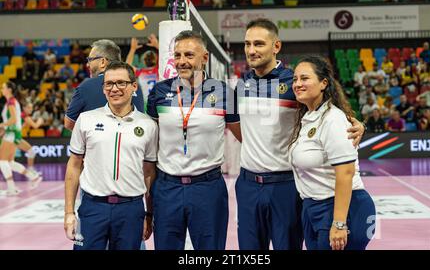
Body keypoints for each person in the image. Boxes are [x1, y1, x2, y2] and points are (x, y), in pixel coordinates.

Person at [234, 18, 365, 250]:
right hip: (248, 184)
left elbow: (329, 107)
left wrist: (358, 124)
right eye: (247, 44)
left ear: (276, 46)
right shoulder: (242, 83)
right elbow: (235, 125)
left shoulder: (295, 82)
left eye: (259, 44)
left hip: (285, 184)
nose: (251, 50)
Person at [147, 30, 241, 250]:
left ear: (204, 58)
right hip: (167, 187)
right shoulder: (160, 91)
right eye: (177, 55)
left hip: (208, 187)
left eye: (189, 55)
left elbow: (244, 136)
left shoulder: (223, 92)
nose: (182, 61)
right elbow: (149, 143)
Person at [64, 61, 158, 250]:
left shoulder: (148, 125)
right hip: (92, 208)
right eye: (109, 84)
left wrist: (149, 214)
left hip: (131, 209)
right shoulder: (86, 119)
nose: (114, 89)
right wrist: (69, 212)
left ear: (133, 87)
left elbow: (149, 172)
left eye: (121, 83)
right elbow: (74, 166)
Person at [288, 55, 376, 250]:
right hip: (315, 208)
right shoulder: (309, 117)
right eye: (295, 79)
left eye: (304, 78)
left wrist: (339, 223)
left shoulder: (332, 119)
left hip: (342, 208)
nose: (297, 84)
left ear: (323, 83)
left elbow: (345, 173)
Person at [64, 39, 144, 131]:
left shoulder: (86, 86)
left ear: (102, 62)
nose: (87, 64)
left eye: (90, 59)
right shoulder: (136, 86)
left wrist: (93, 133)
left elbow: (68, 123)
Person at [0, 82, 42, 196]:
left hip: (12, 133)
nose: (2, 89)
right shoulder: (12, 101)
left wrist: (1, 125)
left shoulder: (11, 102)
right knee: (10, 162)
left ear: (9, 89)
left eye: (3, 87)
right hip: (14, 133)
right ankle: (33, 176)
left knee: (2, 161)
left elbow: (13, 120)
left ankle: (11, 188)